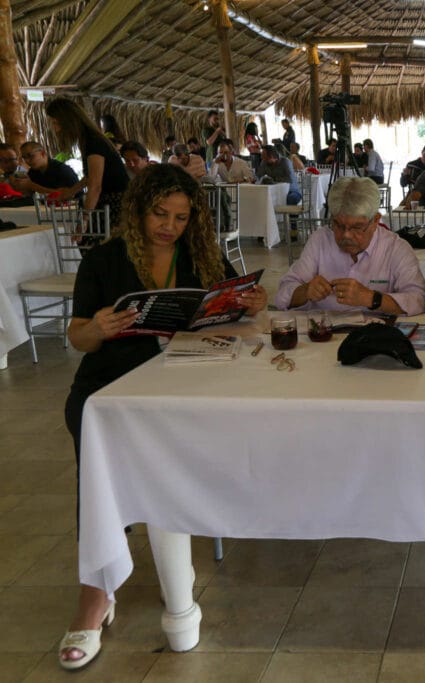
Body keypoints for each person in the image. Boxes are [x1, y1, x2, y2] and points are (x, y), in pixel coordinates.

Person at [59, 164, 267, 670]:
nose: (169, 226)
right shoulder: (105, 260)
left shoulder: (202, 255)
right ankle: (95, 594)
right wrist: (99, 328)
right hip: (111, 378)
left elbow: (233, 311)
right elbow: (78, 336)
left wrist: (252, 303)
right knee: (96, 450)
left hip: (187, 379)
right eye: (159, 213)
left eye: (180, 217)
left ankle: (182, 526)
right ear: (137, 209)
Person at [276, 176, 425, 314]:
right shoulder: (320, 240)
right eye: (338, 225)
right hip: (323, 330)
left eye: (356, 227)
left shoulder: (395, 248)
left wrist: (372, 298)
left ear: (375, 221)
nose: (346, 235)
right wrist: (305, 291)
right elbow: (282, 295)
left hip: (375, 332)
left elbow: (418, 300)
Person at [45, 98, 131, 225]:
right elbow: (90, 176)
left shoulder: (93, 141)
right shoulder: (88, 139)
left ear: (68, 122)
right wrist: (70, 192)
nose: (54, 128)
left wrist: (84, 219)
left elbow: (95, 185)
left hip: (114, 204)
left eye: (55, 123)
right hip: (113, 202)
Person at [10, 140, 79, 195]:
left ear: (42, 153)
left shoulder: (61, 170)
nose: (27, 160)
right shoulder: (33, 172)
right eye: (24, 157)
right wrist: (17, 185)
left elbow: (65, 194)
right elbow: (29, 193)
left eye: (30, 156)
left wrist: (32, 186)